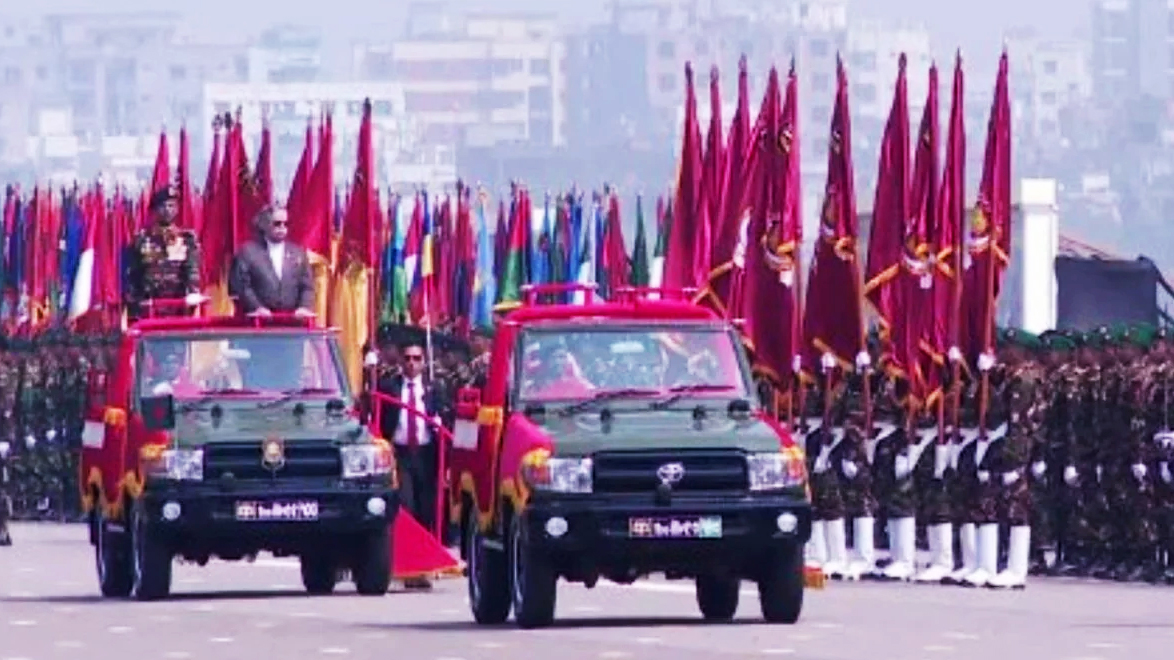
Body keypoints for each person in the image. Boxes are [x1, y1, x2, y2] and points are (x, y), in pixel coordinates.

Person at [377, 333, 451, 590]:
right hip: (400, 453)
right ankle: (407, 567)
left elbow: (446, 417)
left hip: (426, 453)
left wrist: (440, 422)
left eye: (416, 359)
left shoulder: (434, 387)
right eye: (407, 358)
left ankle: (424, 567)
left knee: (426, 508)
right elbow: (379, 416)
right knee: (406, 506)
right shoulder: (389, 386)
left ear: (423, 362)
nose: (411, 363)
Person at [124, 185, 202, 321]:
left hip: (178, 307)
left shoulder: (186, 239)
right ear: (155, 210)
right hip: (149, 306)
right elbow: (134, 275)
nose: (168, 210)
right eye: (164, 206)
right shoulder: (142, 239)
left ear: (177, 209)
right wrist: (134, 304)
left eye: (172, 206)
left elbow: (192, 270)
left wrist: (193, 293)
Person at [229, 206, 314, 317]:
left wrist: (304, 307)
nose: (282, 228)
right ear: (264, 224)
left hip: (291, 321)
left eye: (286, 224)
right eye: (277, 223)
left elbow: (307, 286)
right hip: (257, 320)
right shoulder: (247, 252)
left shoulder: (298, 253)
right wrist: (257, 307)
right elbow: (241, 286)